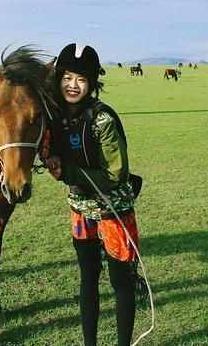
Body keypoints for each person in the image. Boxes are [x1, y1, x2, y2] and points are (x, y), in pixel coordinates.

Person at [45, 43, 140, 346]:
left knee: (121, 283)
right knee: (88, 279)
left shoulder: (103, 120)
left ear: (92, 83)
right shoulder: (54, 117)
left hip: (114, 211)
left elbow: (116, 174)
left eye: (82, 80)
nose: (73, 86)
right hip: (80, 208)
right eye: (67, 78)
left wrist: (68, 173)